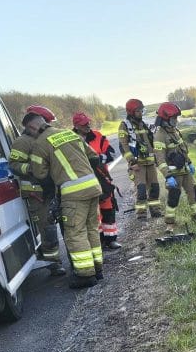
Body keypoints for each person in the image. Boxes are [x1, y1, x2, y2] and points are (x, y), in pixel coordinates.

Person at [24, 111, 104, 288]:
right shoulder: (69, 133)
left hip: (73, 193)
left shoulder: (40, 144)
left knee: (75, 233)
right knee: (91, 229)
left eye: (29, 132)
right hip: (92, 187)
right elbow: (94, 157)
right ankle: (97, 269)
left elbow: (39, 173)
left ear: (32, 127)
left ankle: (85, 275)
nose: (30, 136)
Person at [8, 105, 65, 275]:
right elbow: (14, 165)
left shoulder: (47, 137)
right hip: (37, 194)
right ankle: (53, 263)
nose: (45, 127)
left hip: (54, 189)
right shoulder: (22, 142)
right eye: (44, 123)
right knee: (48, 228)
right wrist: (33, 169)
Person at [72, 111, 121, 250]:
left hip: (102, 180)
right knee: (93, 214)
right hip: (83, 182)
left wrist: (97, 160)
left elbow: (110, 153)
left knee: (108, 209)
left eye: (88, 122)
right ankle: (97, 242)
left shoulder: (97, 136)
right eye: (84, 124)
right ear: (76, 126)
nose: (88, 125)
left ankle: (111, 239)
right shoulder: (71, 140)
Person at [153, 102, 196, 229]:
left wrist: (190, 162)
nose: (176, 120)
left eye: (176, 118)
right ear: (165, 119)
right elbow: (159, 158)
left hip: (185, 170)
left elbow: (182, 150)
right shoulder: (160, 135)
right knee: (173, 198)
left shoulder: (175, 131)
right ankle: (170, 223)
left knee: (194, 194)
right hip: (173, 174)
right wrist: (167, 176)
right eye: (173, 118)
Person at [118, 98, 162, 219]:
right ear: (131, 112)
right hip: (138, 164)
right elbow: (124, 146)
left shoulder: (144, 124)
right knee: (141, 190)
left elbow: (151, 141)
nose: (140, 113)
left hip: (150, 162)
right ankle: (141, 214)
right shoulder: (124, 125)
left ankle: (155, 211)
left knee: (154, 188)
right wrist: (132, 162)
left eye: (141, 111)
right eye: (138, 111)